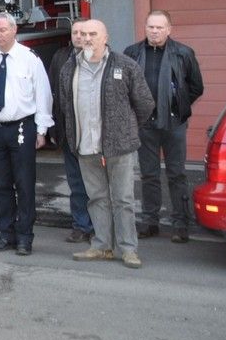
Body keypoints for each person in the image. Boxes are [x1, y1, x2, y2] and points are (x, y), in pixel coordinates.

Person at [59, 19, 155, 268]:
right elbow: (65, 105)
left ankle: (128, 249)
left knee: (123, 199)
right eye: (84, 34)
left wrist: (126, 129)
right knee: (96, 198)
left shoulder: (125, 65)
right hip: (86, 146)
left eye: (93, 34)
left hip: (118, 147)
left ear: (105, 37)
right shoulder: (70, 68)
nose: (87, 38)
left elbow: (144, 104)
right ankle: (102, 246)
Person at [0, 13, 53, 256]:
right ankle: (5, 234)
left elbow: (43, 95)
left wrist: (42, 129)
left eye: (2, 30)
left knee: (25, 183)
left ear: (14, 30)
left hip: (22, 127)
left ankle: (25, 237)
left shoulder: (30, 59)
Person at [124, 10, 205, 243]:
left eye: (160, 27)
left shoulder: (183, 53)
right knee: (148, 174)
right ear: (145, 28)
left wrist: (177, 106)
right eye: (151, 27)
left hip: (174, 124)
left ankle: (181, 223)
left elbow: (196, 87)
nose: (155, 31)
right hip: (145, 124)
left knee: (177, 174)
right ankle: (150, 222)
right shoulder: (132, 52)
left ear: (169, 29)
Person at [50, 20, 93, 243]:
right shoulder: (60, 57)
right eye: (75, 32)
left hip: (94, 134)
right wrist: (52, 127)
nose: (78, 36)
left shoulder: (101, 59)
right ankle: (80, 226)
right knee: (76, 183)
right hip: (69, 132)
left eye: (83, 32)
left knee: (97, 184)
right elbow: (51, 93)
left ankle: (100, 227)